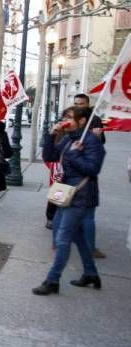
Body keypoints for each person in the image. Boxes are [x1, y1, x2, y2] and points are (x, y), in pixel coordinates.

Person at [33, 106, 105, 295]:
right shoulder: (68, 139)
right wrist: (51, 136)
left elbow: (92, 169)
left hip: (81, 196)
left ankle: (52, 280)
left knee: (62, 237)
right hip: (65, 193)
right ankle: (91, 273)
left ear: (82, 121)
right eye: (65, 116)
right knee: (76, 236)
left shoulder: (91, 141)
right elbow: (50, 156)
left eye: (70, 117)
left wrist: (73, 155)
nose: (66, 120)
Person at [72, 93, 106, 258]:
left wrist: (96, 138)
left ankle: (89, 248)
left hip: (86, 172)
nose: (79, 106)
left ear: (88, 104)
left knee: (87, 214)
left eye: (82, 103)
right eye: (76, 103)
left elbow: (100, 145)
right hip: (70, 171)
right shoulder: (70, 118)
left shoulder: (95, 120)